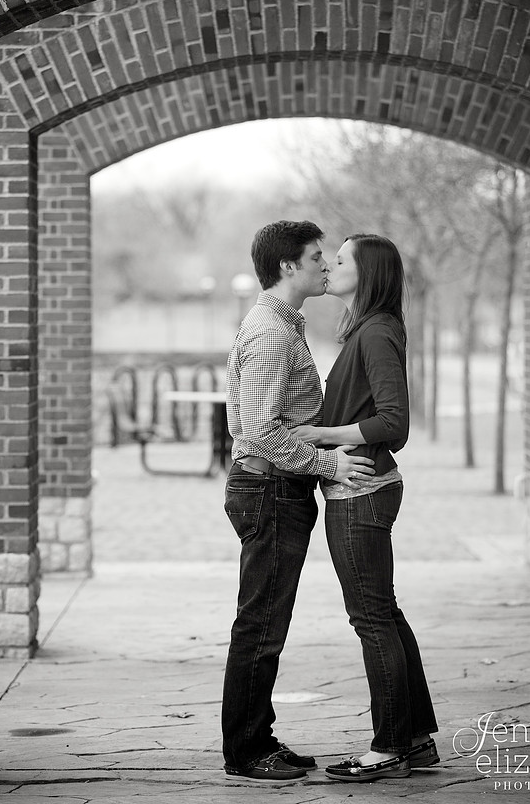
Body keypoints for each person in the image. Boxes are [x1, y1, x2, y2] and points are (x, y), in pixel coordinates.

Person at [221, 220, 375, 783]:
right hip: (267, 489)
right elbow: (261, 434)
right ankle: (245, 750)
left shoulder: (283, 323)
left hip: (274, 489)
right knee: (260, 624)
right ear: (288, 266)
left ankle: (258, 736)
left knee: (267, 622)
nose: (326, 267)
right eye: (316, 258)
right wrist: (331, 461)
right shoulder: (271, 332)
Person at [294, 234, 439, 783]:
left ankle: (389, 748)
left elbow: (394, 425)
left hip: (362, 492)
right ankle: (416, 740)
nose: (330, 264)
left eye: (342, 259)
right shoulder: (368, 328)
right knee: (386, 614)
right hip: (361, 489)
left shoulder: (376, 332)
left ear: (369, 273)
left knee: (372, 619)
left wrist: (317, 433)